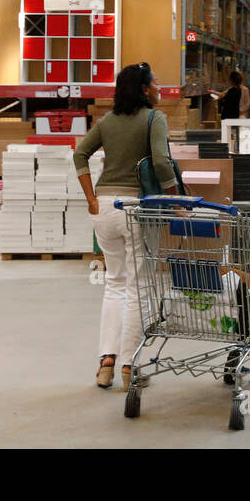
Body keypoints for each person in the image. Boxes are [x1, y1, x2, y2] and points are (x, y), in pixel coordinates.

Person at [74, 62, 177, 390]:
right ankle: (131, 366)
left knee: (114, 284)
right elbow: (161, 161)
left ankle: (106, 361)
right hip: (135, 208)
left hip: (103, 208)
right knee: (137, 288)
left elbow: (80, 154)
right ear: (145, 89)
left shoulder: (107, 121)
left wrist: (91, 198)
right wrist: (176, 200)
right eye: (156, 81)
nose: (160, 86)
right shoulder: (154, 119)